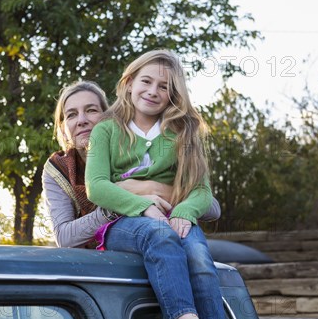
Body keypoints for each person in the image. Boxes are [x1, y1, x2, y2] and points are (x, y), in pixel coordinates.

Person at [85, 50, 244, 319]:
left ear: (175, 95)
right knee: (158, 233)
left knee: (201, 262)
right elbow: (97, 186)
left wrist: (185, 212)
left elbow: (202, 191)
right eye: (147, 81)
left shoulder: (183, 134)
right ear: (128, 82)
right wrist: (142, 206)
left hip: (177, 221)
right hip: (126, 225)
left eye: (164, 87)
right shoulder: (108, 130)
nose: (153, 91)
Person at [43, 81, 220, 249]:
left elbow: (212, 208)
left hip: (158, 243)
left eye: (91, 110)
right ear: (63, 129)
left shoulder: (133, 148)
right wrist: (119, 202)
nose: (82, 120)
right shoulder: (58, 169)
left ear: (110, 118)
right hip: (94, 265)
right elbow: (65, 238)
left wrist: (155, 188)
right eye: (71, 114)